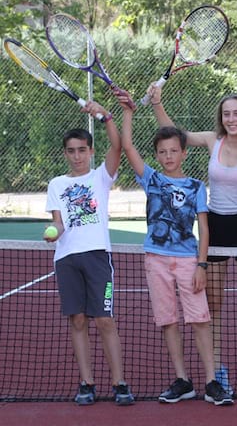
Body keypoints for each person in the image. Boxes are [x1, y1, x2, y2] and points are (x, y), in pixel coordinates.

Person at [147, 84, 237, 395]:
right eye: (226, 113)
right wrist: (157, 103)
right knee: (213, 302)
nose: (231, 119)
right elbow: (173, 132)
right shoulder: (212, 140)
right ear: (222, 117)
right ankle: (217, 367)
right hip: (214, 226)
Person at [119, 100, 233, 406]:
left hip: (188, 261)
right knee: (168, 321)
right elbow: (127, 146)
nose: (168, 156)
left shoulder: (196, 187)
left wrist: (202, 265)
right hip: (155, 259)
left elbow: (205, 230)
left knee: (200, 320)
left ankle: (211, 382)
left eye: (174, 151)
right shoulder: (152, 179)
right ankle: (183, 380)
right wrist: (128, 113)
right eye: (162, 152)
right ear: (157, 156)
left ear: (184, 153)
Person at [44, 100, 134, 406]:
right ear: (65, 153)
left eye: (82, 150)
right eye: (71, 150)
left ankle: (119, 383)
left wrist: (106, 115)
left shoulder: (100, 177)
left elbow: (119, 146)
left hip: (97, 257)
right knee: (78, 320)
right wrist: (54, 231)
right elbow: (58, 222)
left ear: (91, 151)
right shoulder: (56, 184)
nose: (77, 155)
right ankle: (86, 383)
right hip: (66, 259)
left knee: (104, 320)